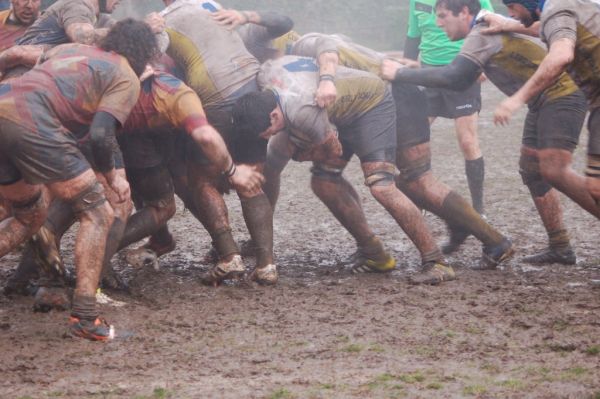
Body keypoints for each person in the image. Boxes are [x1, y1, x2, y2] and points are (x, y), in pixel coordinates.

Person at [382, 0, 588, 264]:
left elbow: (455, 78)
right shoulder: (484, 28)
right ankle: (560, 246)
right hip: (543, 101)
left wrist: (400, 74)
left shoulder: (481, 32)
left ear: (465, 12)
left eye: (443, 16)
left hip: (564, 96)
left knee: (554, 170)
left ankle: (556, 242)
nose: (437, 23)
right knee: (532, 171)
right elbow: (463, 77)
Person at [287, 32, 512, 266]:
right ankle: (372, 250)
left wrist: (326, 80)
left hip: (393, 97)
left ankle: (494, 240)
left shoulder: (303, 48)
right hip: (358, 107)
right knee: (325, 179)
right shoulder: (297, 61)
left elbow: (328, 46)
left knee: (416, 180)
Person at [233, 55, 457, 285]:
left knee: (381, 185)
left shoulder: (303, 112)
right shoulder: (266, 75)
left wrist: (303, 153)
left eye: (269, 132)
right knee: (297, 175)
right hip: (337, 106)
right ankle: (372, 252)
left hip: (372, 103)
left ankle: (436, 262)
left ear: (273, 115)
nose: (269, 136)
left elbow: (333, 150)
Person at [0, 18, 158, 340]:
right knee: (98, 212)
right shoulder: (126, 76)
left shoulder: (72, 48)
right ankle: (85, 319)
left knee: (29, 214)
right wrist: (112, 177)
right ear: (145, 53)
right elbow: (101, 135)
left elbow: (21, 59)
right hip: (33, 122)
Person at [159, 0, 283, 285]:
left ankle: (229, 257)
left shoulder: (163, 20)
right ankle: (266, 265)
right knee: (251, 180)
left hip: (217, 95)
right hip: (254, 91)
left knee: (202, 180)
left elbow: (153, 60)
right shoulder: (212, 5)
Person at [490, 0, 600, 211]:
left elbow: (561, 55)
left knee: (595, 186)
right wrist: (505, 24)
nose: (511, 13)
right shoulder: (561, 7)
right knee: (594, 186)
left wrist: (517, 98)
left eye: (512, 6)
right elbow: (544, 28)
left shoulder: (555, 11)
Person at [406, 0, 494, 216]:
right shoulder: (416, 2)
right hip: (429, 75)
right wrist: (404, 73)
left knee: (467, 141)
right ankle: (421, 199)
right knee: (412, 141)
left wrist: (485, 63)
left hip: (463, 71)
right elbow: (412, 36)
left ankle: (478, 210)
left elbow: (490, 27)